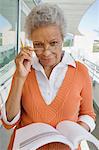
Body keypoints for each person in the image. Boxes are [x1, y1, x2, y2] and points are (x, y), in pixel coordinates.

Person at [1, 3, 96, 150]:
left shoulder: (80, 71)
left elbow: (88, 114)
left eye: (53, 43)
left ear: (63, 39)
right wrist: (20, 78)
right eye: (38, 44)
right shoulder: (24, 70)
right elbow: (8, 123)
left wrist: (76, 135)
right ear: (31, 43)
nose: (46, 52)